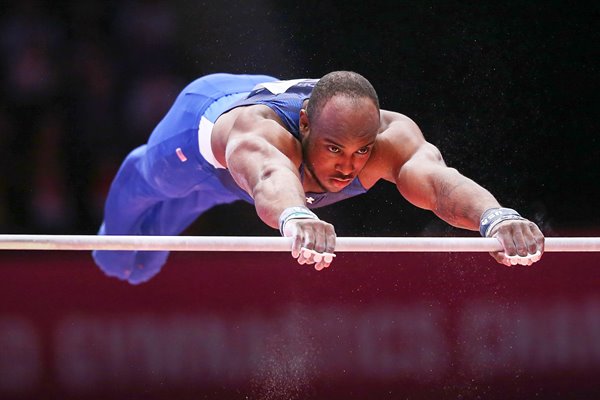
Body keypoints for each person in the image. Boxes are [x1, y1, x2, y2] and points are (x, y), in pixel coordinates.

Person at [93, 72, 545, 284]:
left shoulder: (392, 140)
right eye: (334, 149)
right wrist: (293, 215)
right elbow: (271, 174)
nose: (348, 166)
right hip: (199, 131)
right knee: (124, 255)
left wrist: (496, 217)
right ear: (305, 124)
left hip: (235, 183)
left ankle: (203, 197)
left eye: (360, 151)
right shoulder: (260, 132)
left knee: (173, 234)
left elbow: (441, 185)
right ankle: (133, 193)